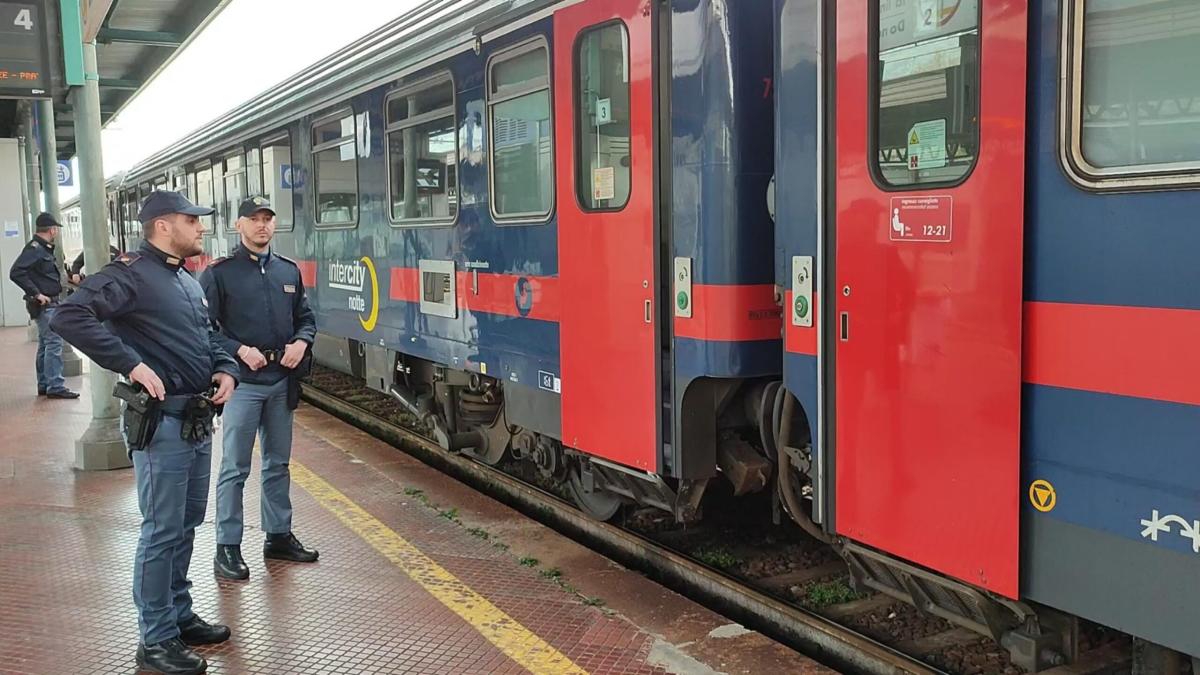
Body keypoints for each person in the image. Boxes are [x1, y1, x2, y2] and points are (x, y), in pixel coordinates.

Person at [51, 191, 239, 675]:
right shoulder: (130, 274)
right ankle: (155, 640)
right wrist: (131, 364)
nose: (200, 228)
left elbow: (208, 335)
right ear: (161, 226)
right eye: (191, 221)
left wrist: (225, 369)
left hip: (196, 421)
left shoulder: (186, 278)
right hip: (163, 428)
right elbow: (69, 316)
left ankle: (178, 614)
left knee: (187, 522)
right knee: (161, 530)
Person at [200, 196, 318, 581]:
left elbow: (305, 317)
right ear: (239, 225)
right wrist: (238, 351)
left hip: (280, 383)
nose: (262, 225)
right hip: (243, 385)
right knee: (234, 467)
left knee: (278, 464)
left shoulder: (287, 271)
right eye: (254, 219)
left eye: (268, 218)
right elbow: (205, 330)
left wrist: (301, 342)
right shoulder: (220, 274)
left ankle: (278, 535)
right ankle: (227, 546)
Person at [7, 212, 79, 399]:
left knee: (45, 345)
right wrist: (36, 293)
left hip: (47, 304)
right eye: (56, 229)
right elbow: (16, 272)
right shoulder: (35, 249)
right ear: (51, 229)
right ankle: (55, 385)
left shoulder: (42, 249)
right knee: (53, 343)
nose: (56, 232)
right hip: (45, 305)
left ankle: (45, 384)